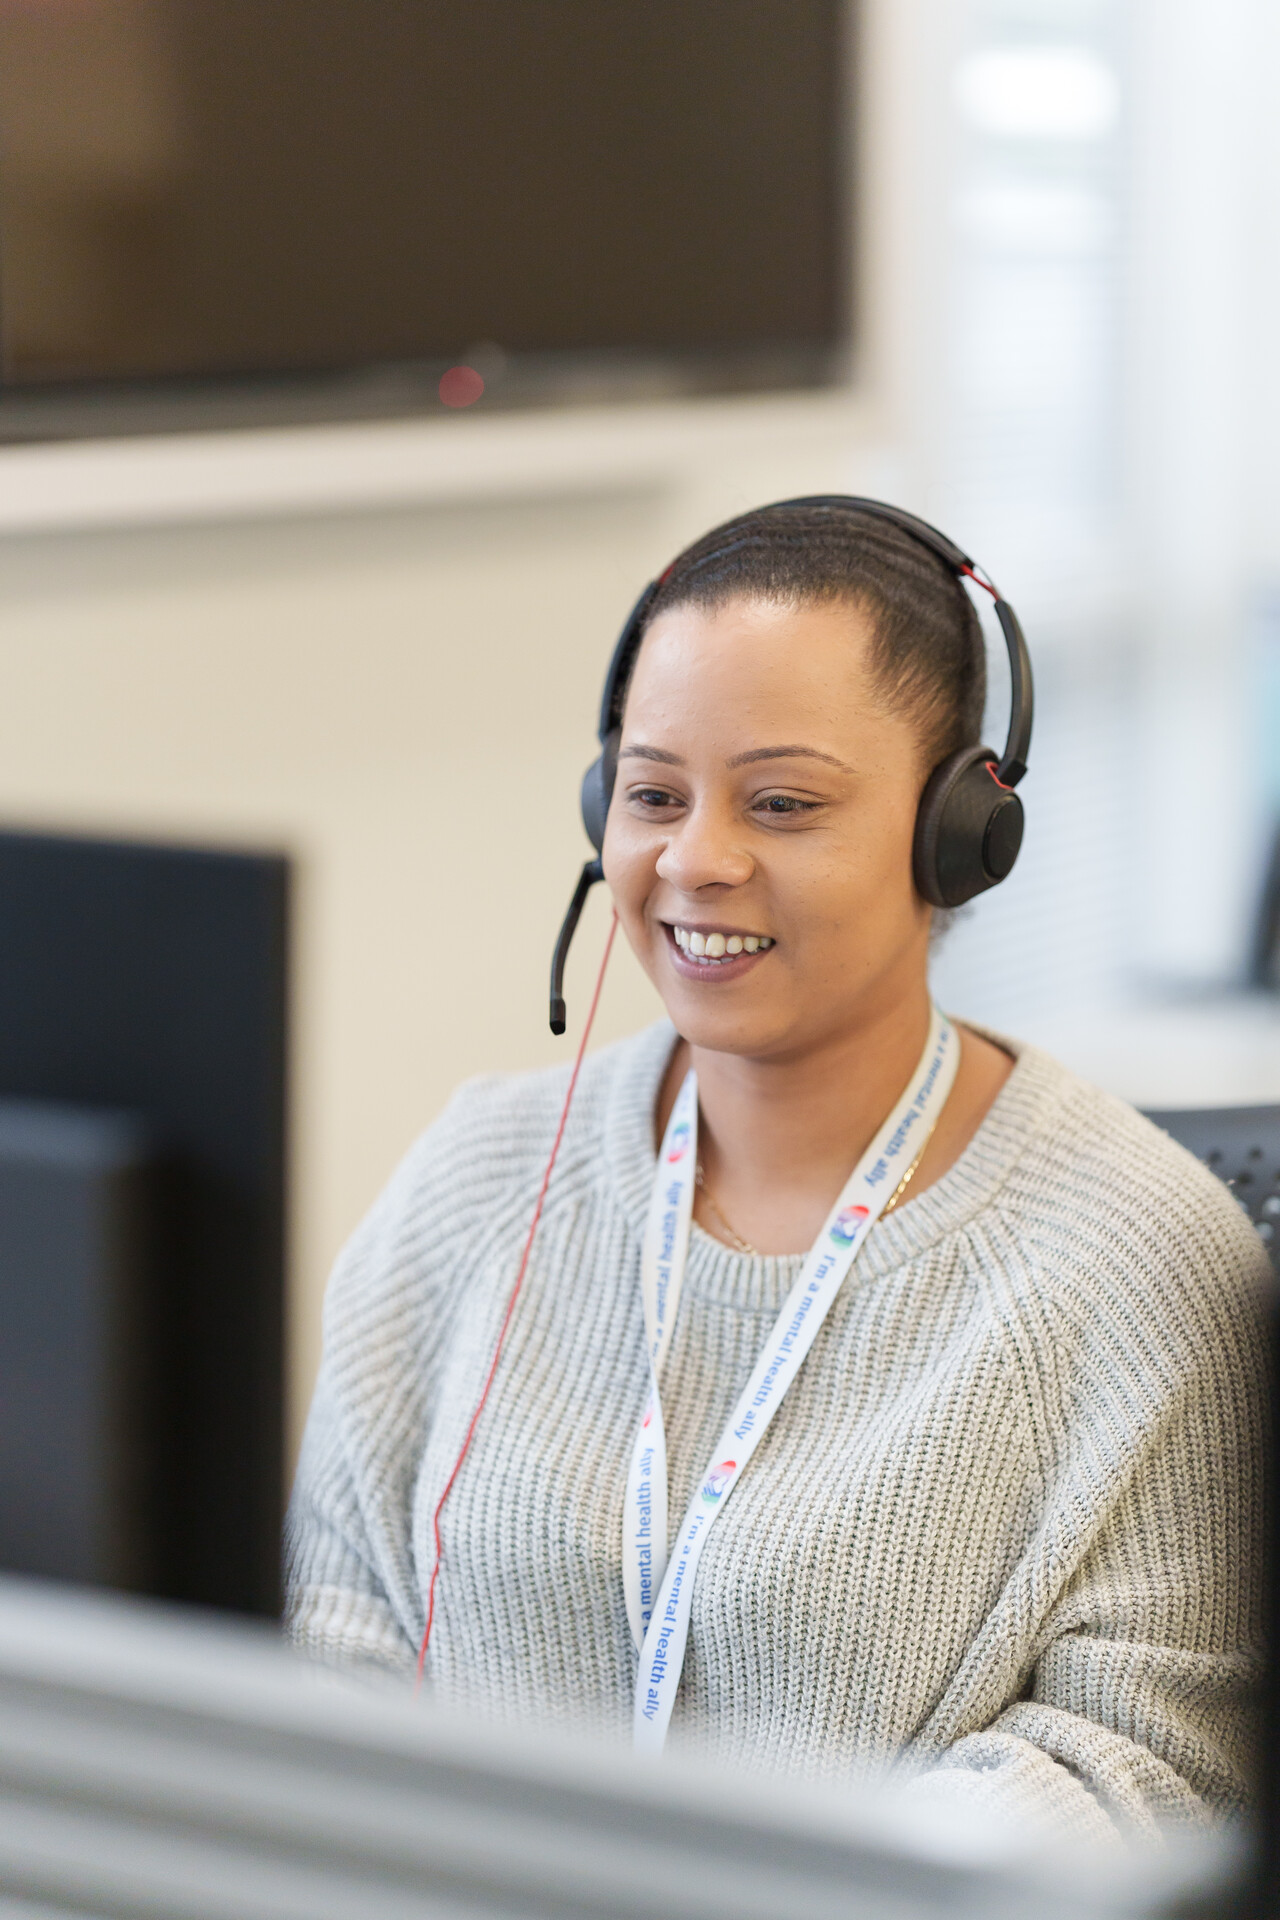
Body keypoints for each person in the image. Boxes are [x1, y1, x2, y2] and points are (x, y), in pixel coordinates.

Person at [286, 499, 1267, 1844]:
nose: (695, 860)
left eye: (783, 803)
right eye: (651, 795)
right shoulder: (480, 1173)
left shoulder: (1141, 1260)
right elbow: (332, 1633)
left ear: (959, 830)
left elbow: (1145, 1768)